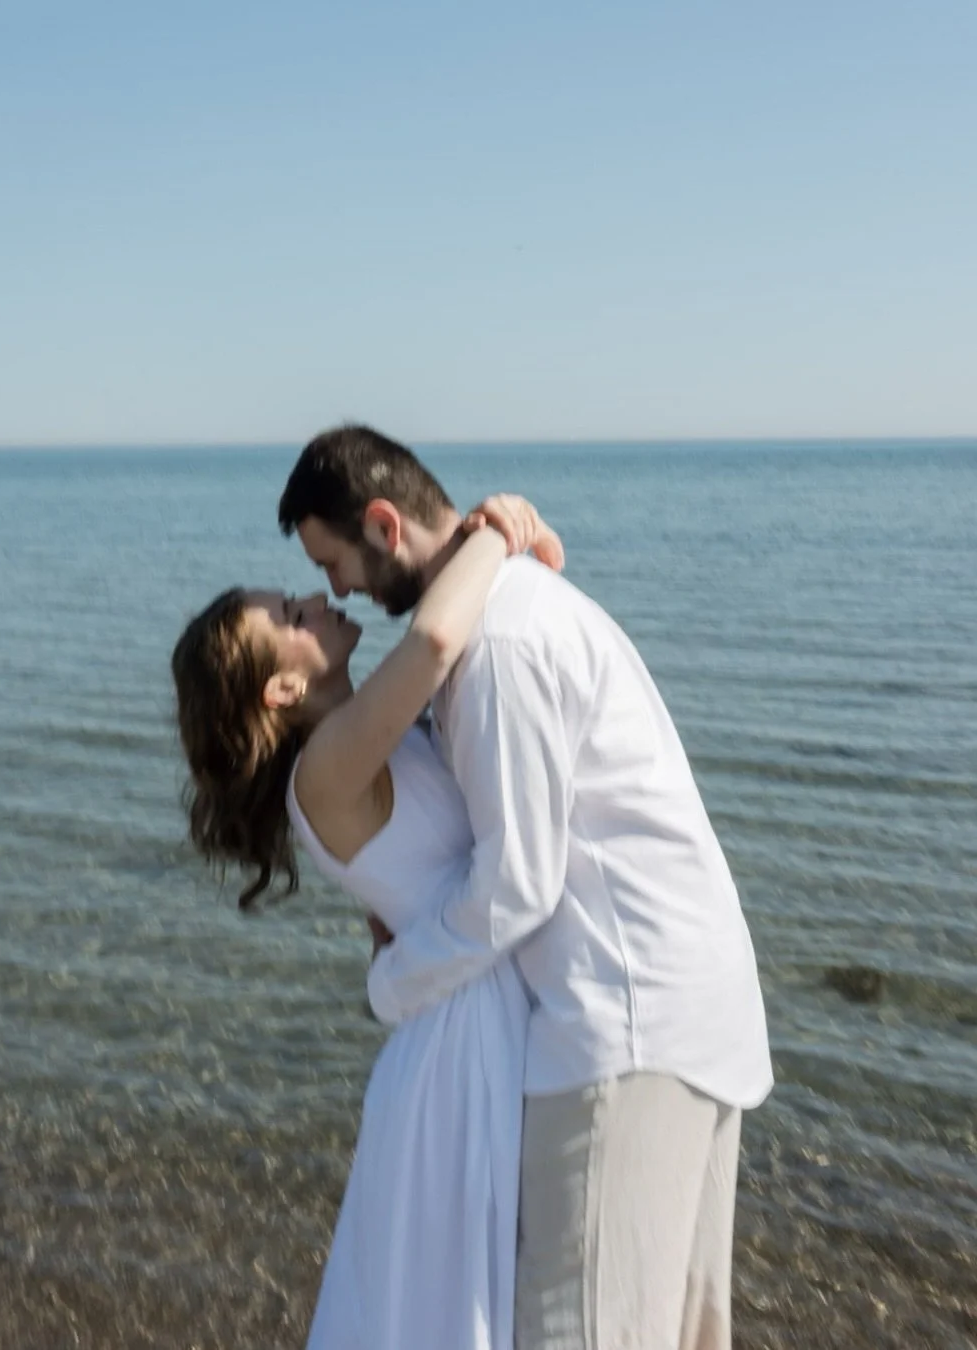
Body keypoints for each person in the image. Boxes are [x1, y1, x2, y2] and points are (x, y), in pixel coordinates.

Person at [279, 424, 774, 1350]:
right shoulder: (508, 610)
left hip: (622, 1025)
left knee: (579, 1330)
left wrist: (394, 980)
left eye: (334, 560)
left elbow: (516, 886)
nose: (335, 586)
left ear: (384, 526)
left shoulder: (496, 645)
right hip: (679, 1012)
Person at [171, 495, 563, 1350]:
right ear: (284, 686)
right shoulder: (327, 768)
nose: (319, 602)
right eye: (292, 614)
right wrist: (497, 528)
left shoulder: (367, 741)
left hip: (470, 1003)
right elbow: (431, 638)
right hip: (465, 1043)